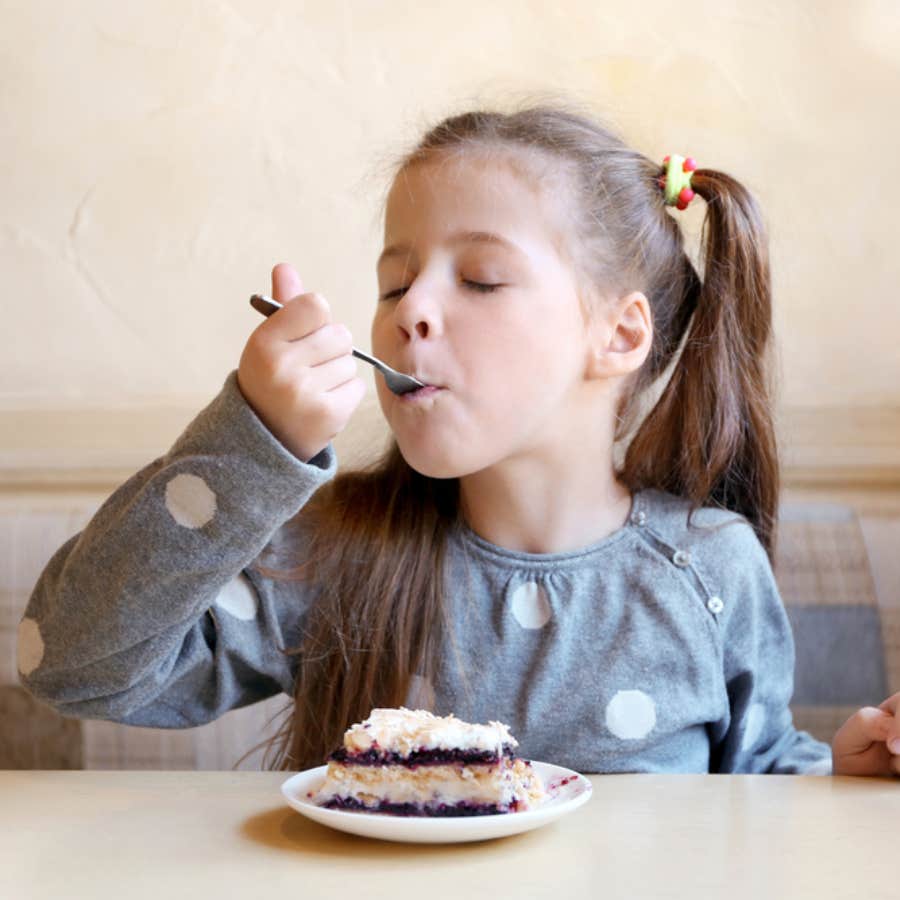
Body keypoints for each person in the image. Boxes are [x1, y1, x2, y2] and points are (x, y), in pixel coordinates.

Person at [17, 101, 899, 777]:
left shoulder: (713, 569)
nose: (413, 316)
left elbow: (755, 787)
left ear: (620, 336)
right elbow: (72, 666)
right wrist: (252, 442)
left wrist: (838, 776)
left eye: (479, 278)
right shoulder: (333, 557)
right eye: (394, 286)